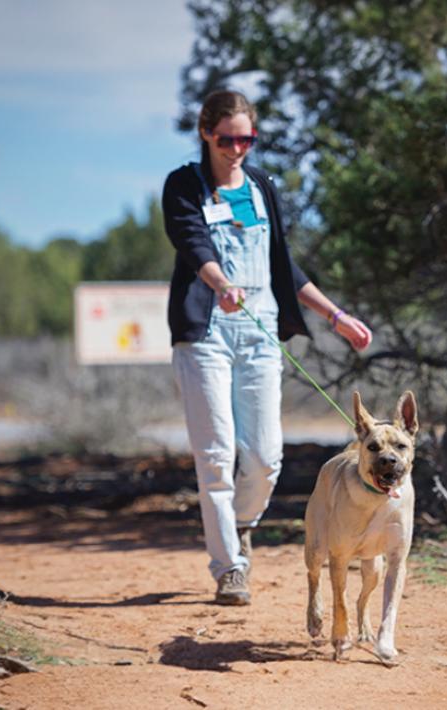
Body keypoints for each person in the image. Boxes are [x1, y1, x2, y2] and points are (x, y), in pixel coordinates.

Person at [162, 89, 372, 606]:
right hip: (207, 332)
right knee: (215, 456)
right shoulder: (184, 185)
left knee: (263, 458)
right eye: (229, 139)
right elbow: (191, 242)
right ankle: (230, 566)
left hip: (259, 333)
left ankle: (240, 525)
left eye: (247, 139)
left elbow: (285, 267)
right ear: (207, 133)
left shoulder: (260, 187)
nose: (238, 149)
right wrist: (219, 283)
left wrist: (336, 316)